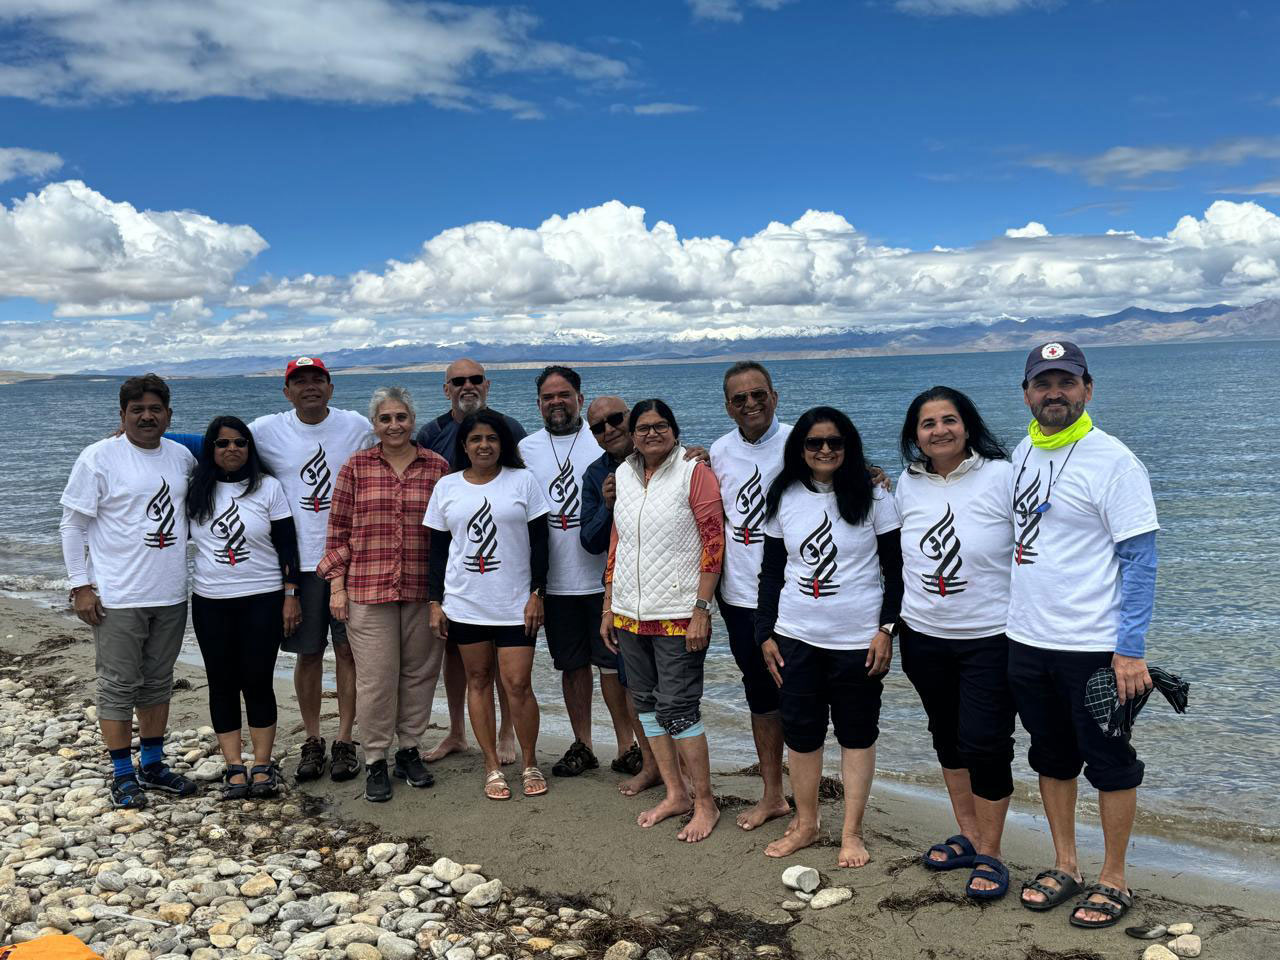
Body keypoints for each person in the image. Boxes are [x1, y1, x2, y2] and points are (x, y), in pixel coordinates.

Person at [1008, 342, 1159, 930]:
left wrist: (1131, 649)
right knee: (1050, 755)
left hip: (1095, 646)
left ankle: (1114, 877)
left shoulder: (1114, 462)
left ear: (1087, 390)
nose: (1055, 393)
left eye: (1066, 382)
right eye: (1043, 383)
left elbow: (1140, 561)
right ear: (1027, 394)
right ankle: (1065, 864)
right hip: (1027, 639)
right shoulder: (1024, 450)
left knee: (1111, 761)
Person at [755, 407, 903, 867]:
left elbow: (897, 571)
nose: (824, 450)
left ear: (848, 446)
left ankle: (852, 833)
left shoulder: (874, 496)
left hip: (859, 641)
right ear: (800, 448)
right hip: (796, 637)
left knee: (857, 735)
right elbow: (771, 573)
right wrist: (765, 633)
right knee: (802, 735)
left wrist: (887, 630)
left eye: (834, 442)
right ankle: (806, 824)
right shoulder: (783, 496)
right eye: (814, 442)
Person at [895, 387, 1016, 899]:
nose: (939, 430)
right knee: (946, 735)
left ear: (968, 426)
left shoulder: (1003, 475)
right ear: (915, 435)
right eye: (928, 423)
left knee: (986, 742)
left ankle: (992, 852)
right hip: (923, 635)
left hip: (991, 636)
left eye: (949, 420)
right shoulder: (905, 483)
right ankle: (969, 836)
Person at [59, 374, 198, 808]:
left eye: (155, 409)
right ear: (122, 415)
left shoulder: (181, 457)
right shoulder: (98, 457)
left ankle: (152, 765)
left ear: (169, 415)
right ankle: (122, 773)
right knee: (118, 685)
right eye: (137, 410)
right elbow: (72, 525)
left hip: (170, 593)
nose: (146, 416)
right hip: (118, 595)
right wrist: (80, 586)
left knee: (158, 682)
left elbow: (226, 443)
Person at [318, 387, 450, 803]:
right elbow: (337, 531)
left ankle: (408, 750)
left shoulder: (437, 467)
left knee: (420, 674)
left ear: (412, 420)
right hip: (367, 589)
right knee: (376, 680)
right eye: (385, 419)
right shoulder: (356, 467)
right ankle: (376, 757)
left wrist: (446, 593)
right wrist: (336, 586)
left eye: (401, 417)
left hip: (422, 589)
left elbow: (448, 533)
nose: (394, 425)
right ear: (374, 425)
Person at [602, 399, 724, 843]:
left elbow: (714, 541)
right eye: (643, 427)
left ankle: (705, 802)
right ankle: (676, 793)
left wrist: (702, 609)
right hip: (630, 613)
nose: (652, 433)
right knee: (646, 703)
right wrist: (608, 605)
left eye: (660, 426)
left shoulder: (694, 471)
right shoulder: (623, 476)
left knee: (679, 706)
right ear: (632, 435)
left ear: (674, 429)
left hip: (678, 613)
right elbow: (617, 543)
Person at [249, 357, 374, 783]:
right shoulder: (267, 429)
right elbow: (218, 441)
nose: (309, 387)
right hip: (299, 565)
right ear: (287, 392)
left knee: (349, 653)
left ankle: (345, 739)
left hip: (350, 562)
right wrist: (152, 436)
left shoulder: (355, 425)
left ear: (330, 387)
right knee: (309, 653)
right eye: (299, 382)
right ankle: (313, 738)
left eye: (317, 380)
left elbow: (397, 440)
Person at [424, 409, 550, 800]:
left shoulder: (523, 480)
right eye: (476, 439)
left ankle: (529, 761)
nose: (484, 445)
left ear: (503, 444)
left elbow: (541, 543)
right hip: (465, 602)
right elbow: (437, 551)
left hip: (515, 603)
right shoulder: (447, 487)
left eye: (492, 438)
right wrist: (434, 601)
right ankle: (491, 764)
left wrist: (538, 593)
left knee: (518, 684)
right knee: (477, 681)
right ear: (464, 445)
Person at [519, 367, 636, 778]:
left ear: (580, 400)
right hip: (556, 581)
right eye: (548, 397)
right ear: (538, 404)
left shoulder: (602, 438)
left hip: (605, 579)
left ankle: (627, 746)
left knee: (614, 667)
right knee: (571, 667)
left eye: (564, 395)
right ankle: (582, 743)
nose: (557, 402)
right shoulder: (525, 449)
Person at [415, 357, 524, 765]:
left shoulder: (508, 428)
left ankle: (507, 730)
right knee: (456, 655)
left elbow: (526, 484)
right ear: (446, 389)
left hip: (502, 570)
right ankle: (457, 732)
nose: (467, 386)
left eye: (475, 379)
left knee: (504, 659)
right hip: (457, 567)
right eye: (458, 381)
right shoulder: (431, 433)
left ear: (487, 384)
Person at [187, 416, 301, 800]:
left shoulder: (267, 487)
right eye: (222, 443)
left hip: (262, 599)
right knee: (221, 682)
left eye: (239, 442)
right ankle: (234, 765)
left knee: (257, 679)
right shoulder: (196, 490)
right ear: (210, 449)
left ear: (250, 447)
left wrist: (291, 594)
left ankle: (262, 764)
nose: (232, 449)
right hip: (210, 601)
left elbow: (287, 545)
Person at [708, 360, 794, 832]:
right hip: (740, 595)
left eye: (759, 394)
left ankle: (810, 791)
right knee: (761, 696)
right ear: (727, 406)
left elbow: (840, 476)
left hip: (797, 593)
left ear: (774, 396)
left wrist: (873, 472)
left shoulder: (801, 442)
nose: (751, 404)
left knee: (802, 694)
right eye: (739, 398)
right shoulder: (719, 451)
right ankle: (773, 795)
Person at [580, 395, 657, 794]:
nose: (608, 429)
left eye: (615, 419)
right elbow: (590, 541)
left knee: (676, 683)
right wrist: (607, 505)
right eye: (598, 426)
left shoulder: (669, 457)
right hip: (626, 593)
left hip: (670, 590)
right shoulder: (596, 475)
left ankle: (682, 766)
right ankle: (651, 763)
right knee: (634, 684)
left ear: (630, 418)